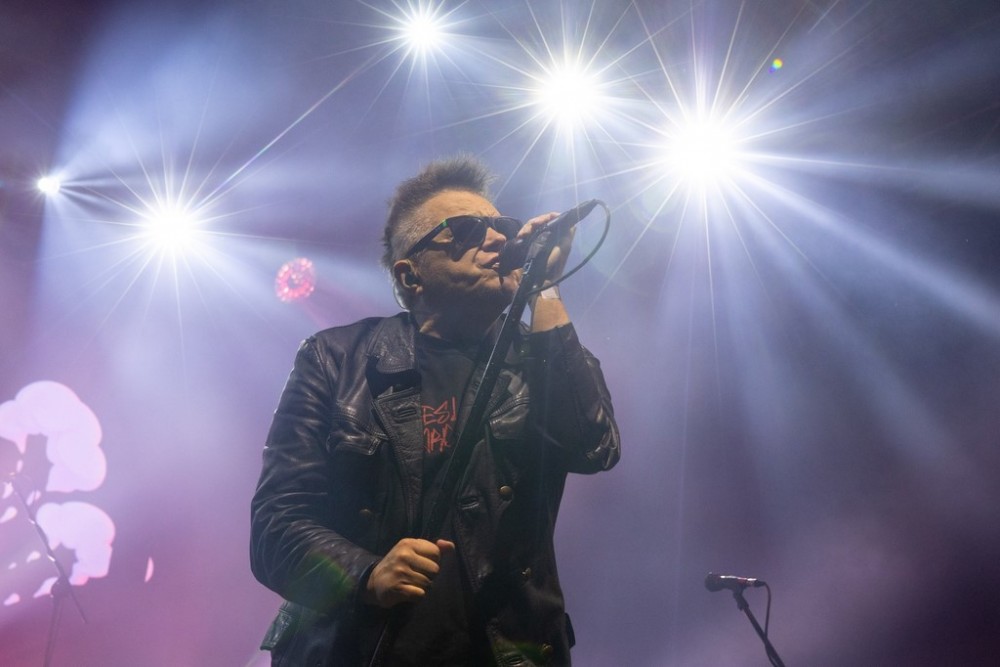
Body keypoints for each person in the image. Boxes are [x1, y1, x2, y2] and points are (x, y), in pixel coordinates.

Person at [250, 155, 620, 666]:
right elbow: (277, 525)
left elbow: (593, 448)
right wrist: (365, 573)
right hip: (358, 651)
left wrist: (543, 289)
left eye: (502, 226)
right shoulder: (336, 359)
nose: (499, 240)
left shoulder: (545, 356)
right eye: (468, 230)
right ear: (411, 275)